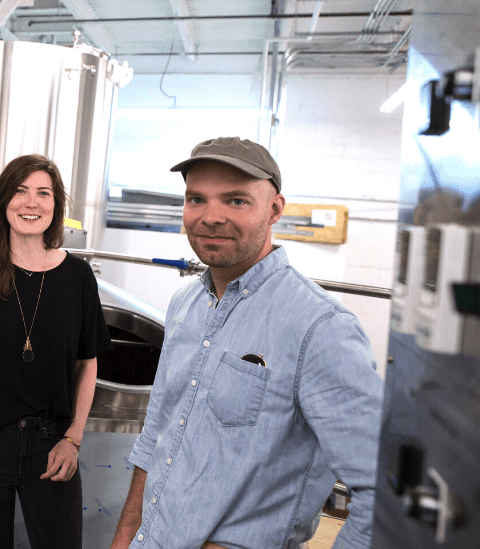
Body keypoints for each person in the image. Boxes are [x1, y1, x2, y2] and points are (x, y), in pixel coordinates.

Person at [110, 137, 384, 549]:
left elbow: (382, 493)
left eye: (236, 201)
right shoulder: (185, 305)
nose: (211, 217)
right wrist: (126, 537)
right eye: (196, 199)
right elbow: (156, 437)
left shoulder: (319, 326)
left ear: (275, 209)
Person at [0, 153, 112, 548]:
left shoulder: (78, 277)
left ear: (56, 205)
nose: (32, 203)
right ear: (3, 202)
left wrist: (74, 439)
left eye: (43, 193)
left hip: (53, 445)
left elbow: (88, 364)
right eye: (20, 191)